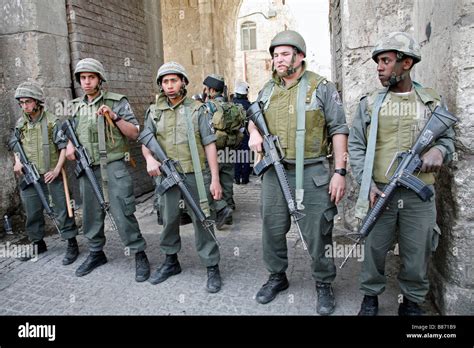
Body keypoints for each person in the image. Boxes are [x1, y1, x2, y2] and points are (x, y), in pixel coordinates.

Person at [348, 32, 456, 316]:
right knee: (373, 247)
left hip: (419, 193)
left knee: (417, 251)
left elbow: (448, 138)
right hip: (380, 191)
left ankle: (412, 301)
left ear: (406, 63)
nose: (379, 68)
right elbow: (356, 146)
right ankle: (370, 297)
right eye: (377, 62)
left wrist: (439, 152)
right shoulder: (369, 104)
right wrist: (366, 184)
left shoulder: (431, 102)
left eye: (385, 60)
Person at [248, 30, 349, 315]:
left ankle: (323, 282)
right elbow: (253, 117)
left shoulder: (321, 87)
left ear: (300, 55)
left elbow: (339, 129)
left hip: (314, 170)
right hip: (273, 172)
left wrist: (340, 171)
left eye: (284, 54)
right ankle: (277, 276)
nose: (278, 60)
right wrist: (253, 132)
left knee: (318, 231)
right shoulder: (267, 90)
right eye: (275, 55)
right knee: (272, 227)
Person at [65, 58, 150, 282]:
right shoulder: (75, 107)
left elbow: (134, 133)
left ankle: (139, 253)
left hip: (113, 166)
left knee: (123, 211)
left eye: (91, 77)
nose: (86, 82)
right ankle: (96, 253)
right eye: (83, 78)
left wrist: (114, 116)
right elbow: (68, 134)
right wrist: (69, 146)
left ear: (100, 79)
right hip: (87, 168)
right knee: (91, 215)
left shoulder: (117, 102)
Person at [142, 62, 223, 293]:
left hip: (194, 175)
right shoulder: (153, 112)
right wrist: (149, 159)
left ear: (183, 82)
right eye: (165, 81)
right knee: (168, 220)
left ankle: (211, 265)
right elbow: (146, 142)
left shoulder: (198, 110)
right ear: (161, 85)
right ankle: (170, 262)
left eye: (173, 80)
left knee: (203, 219)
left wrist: (215, 179)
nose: (169, 86)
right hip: (167, 176)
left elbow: (209, 145)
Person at [12, 81, 79, 264]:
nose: (24, 106)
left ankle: (71, 243)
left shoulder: (52, 121)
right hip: (29, 176)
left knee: (61, 209)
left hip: (51, 174)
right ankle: (37, 243)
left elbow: (63, 147)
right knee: (32, 211)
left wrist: (57, 169)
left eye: (28, 102)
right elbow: (15, 144)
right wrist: (17, 161)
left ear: (37, 101)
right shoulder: (21, 123)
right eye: (22, 103)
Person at [202, 74, 240, 229]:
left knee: (211, 181)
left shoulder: (208, 107)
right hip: (230, 148)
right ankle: (229, 209)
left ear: (211, 90)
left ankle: (221, 210)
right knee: (227, 181)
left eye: (206, 89)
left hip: (214, 150)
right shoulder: (232, 106)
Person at [233, 81, 251, 185]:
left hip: (235, 134)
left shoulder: (231, 103)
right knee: (245, 157)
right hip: (246, 134)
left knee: (236, 157)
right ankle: (245, 178)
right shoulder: (248, 105)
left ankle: (236, 177)